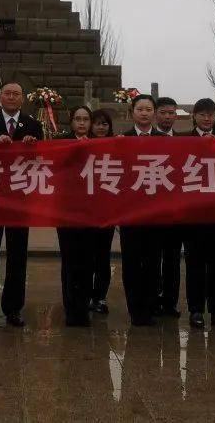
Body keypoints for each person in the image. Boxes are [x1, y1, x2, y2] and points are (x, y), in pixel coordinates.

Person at [0, 81, 42, 327]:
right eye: (7, 93)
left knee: (17, 256)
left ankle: (13, 308)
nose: (11, 97)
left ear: (22, 98)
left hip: (19, 199)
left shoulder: (33, 125)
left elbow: (42, 161)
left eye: (16, 93)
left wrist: (32, 147)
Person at [179, 98, 215, 330]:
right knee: (195, 265)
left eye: (211, 115)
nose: (207, 119)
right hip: (193, 214)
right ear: (194, 116)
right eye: (202, 114)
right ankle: (196, 310)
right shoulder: (182, 142)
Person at [120, 94, 166, 326]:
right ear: (132, 112)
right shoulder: (121, 140)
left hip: (155, 214)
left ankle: (149, 309)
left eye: (149, 109)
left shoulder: (165, 140)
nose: (145, 113)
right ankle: (134, 309)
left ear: (154, 113)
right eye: (140, 109)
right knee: (131, 263)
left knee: (152, 263)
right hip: (130, 213)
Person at [56, 105, 97, 326]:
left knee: (88, 262)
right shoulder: (60, 143)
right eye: (77, 119)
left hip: (91, 212)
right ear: (71, 122)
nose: (81, 123)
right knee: (70, 261)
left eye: (85, 119)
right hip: (66, 212)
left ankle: (84, 306)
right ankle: (70, 307)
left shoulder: (100, 144)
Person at [152, 96, 184, 317]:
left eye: (171, 113)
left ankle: (171, 302)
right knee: (153, 259)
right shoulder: (145, 139)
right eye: (163, 112)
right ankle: (153, 299)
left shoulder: (185, 142)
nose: (167, 117)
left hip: (176, 212)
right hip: (151, 212)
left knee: (172, 259)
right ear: (156, 115)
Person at [88, 108, 115, 315]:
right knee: (86, 257)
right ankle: (86, 295)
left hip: (107, 211)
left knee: (103, 257)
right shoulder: (79, 145)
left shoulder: (117, 145)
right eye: (97, 123)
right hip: (84, 212)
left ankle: (100, 296)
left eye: (104, 124)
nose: (100, 127)